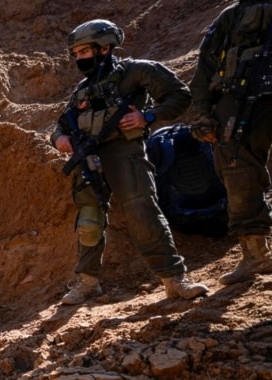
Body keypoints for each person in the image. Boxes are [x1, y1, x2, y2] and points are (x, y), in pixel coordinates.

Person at [51, 19, 209, 305]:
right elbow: (61, 124)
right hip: (88, 159)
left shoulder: (136, 71)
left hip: (125, 152)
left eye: (84, 52)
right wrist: (59, 139)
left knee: (143, 212)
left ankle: (174, 279)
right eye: (75, 54)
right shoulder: (83, 89)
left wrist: (147, 116)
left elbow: (179, 95)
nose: (78, 59)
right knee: (89, 220)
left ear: (105, 47)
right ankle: (87, 283)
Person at [189, 1, 272, 284]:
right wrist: (203, 114)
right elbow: (207, 65)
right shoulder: (232, 15)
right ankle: (256, 254)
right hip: (239, 99)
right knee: (236, 169)